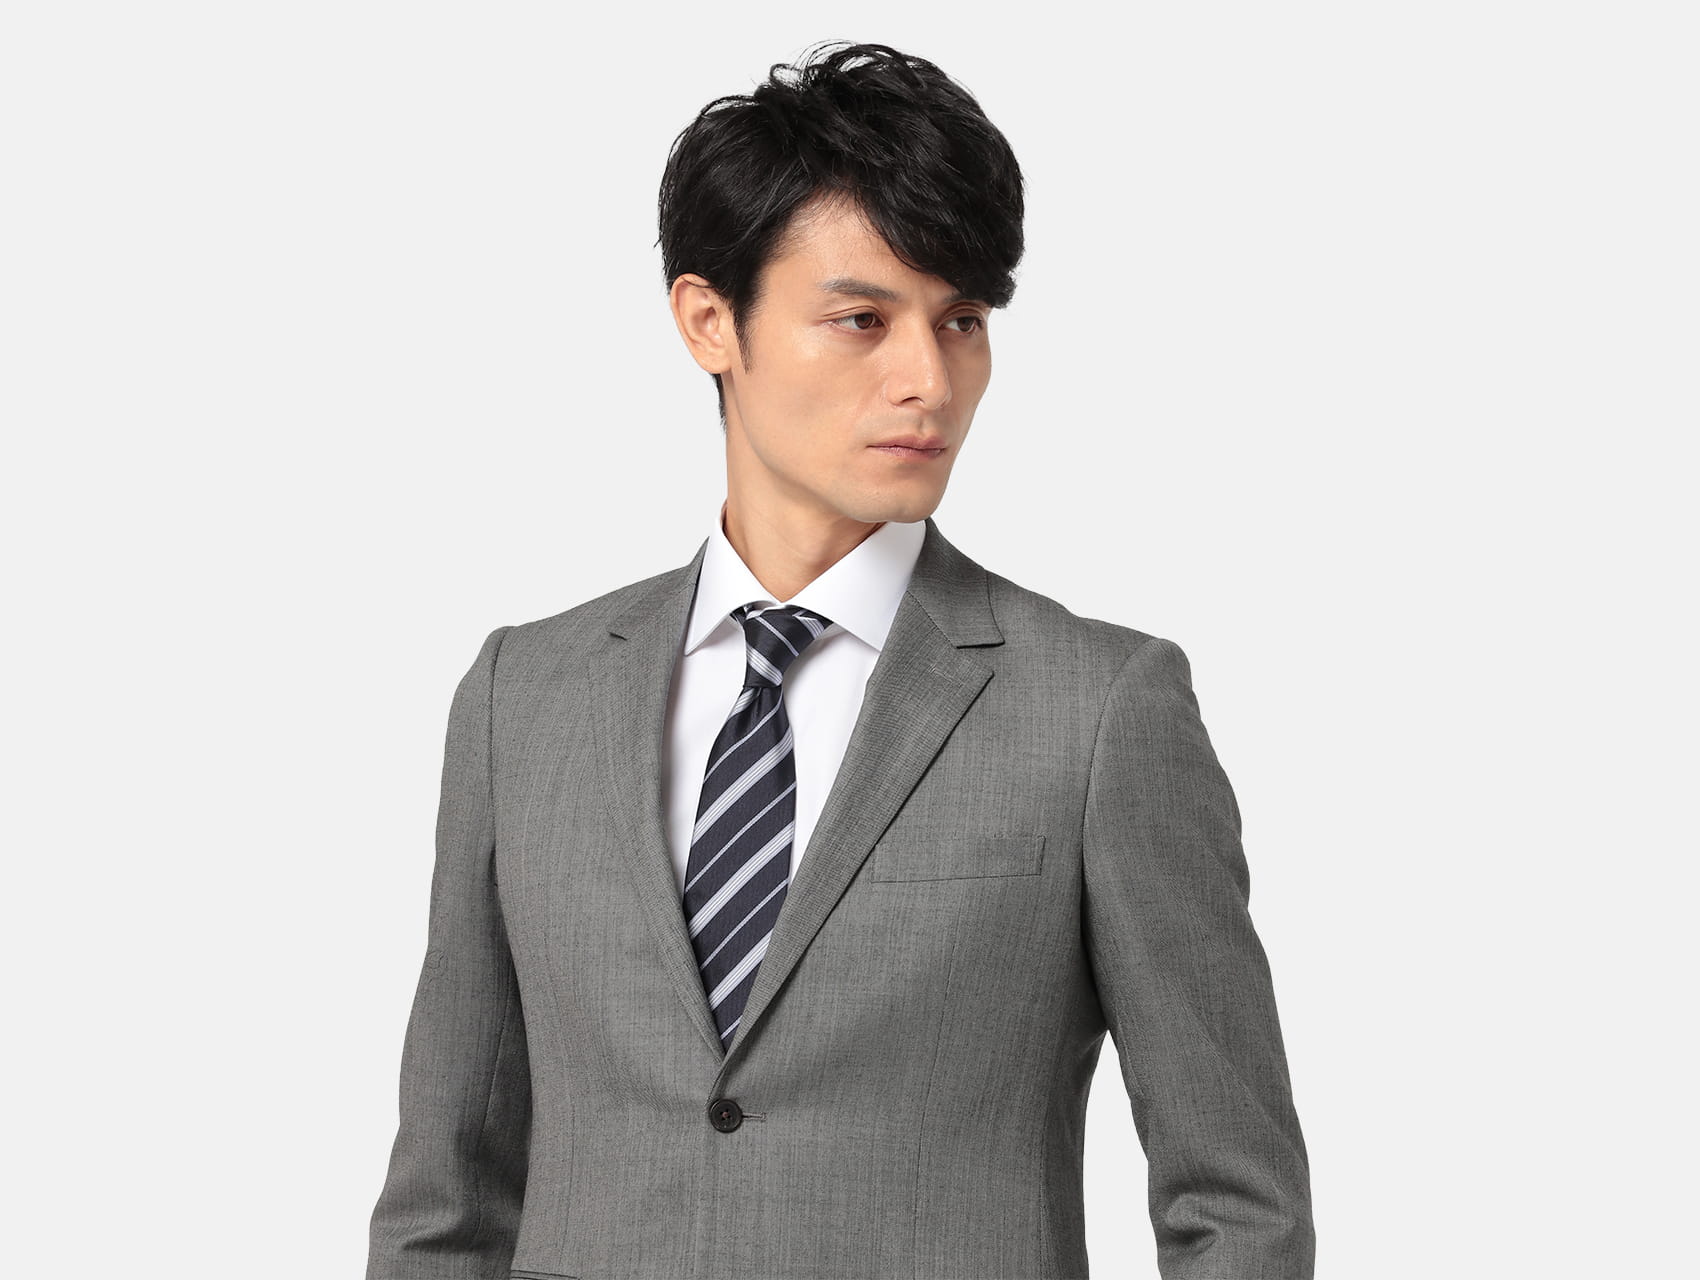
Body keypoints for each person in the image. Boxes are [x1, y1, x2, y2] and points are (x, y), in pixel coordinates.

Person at [365, 40, 1314, 1280]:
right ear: (709, 321)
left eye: (960, 321)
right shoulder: (523, 697)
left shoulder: (1096, 710)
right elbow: (445, 1200)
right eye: (861, 319)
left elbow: (1235, 1205)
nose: (927, 379)